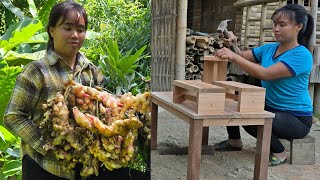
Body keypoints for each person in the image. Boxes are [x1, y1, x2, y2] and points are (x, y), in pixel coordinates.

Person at [3, 1, 150, 179]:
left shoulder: (92, 71)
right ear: (51, 30)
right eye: (67, 28)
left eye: (80, 30)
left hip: (83, 165)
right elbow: (13, 116)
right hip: (45, 168)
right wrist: (48, 145)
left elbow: (100, 113)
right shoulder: (36, 72)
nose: (75, 35)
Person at [214, 4, 314, 166]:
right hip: (272, 107)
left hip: (296, 118)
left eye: (282, 25)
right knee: (233, 96)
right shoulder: (269, 48)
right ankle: (234, 141)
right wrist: (232, 44)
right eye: (275, 24)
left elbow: (265, 73)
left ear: (299, 26)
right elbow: (241, 56)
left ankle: (279, 152)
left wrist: (233, 56)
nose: (276, 29)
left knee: (254, 118)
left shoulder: (301, 55)